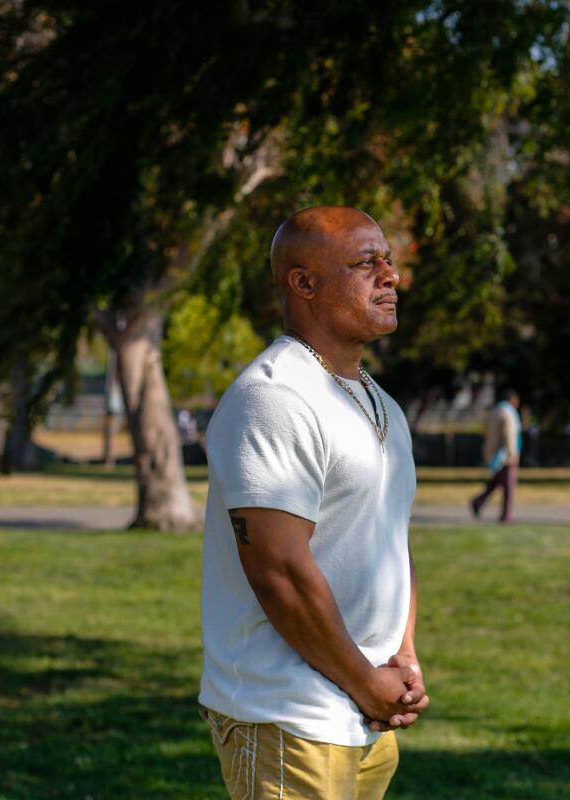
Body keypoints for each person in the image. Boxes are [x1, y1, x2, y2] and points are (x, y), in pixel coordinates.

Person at [199, 206, 428, 800]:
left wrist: (402, 660)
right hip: (287, 718)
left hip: (365, 718)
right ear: (303, 283)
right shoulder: (274, 398)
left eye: (387, 258)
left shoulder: (380, 404)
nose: (389, 275)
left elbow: (389, 544)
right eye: (364, 262)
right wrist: (366, 682)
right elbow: (279, 571)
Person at [470, 388, 522, 522]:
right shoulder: (508, 413)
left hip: (493, 454)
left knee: (497, 482)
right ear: (512, 400)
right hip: (505, 455)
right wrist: (511, 453)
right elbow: (509, 435)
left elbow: (485, 432)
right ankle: (506, 515)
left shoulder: (493, 412)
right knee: (509, 486)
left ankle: (478, 502)